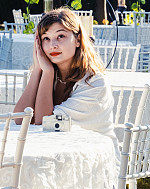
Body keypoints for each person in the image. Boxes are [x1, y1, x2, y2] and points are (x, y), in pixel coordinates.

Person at [13, 8, 115, 144]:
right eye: (46, 39)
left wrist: (47, 73)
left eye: (60, 36)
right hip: (56, 147)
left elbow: (44, 122)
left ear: (78, 40)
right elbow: (20, 118)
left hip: (91, 154)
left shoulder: (94, 82)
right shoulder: (49, 73)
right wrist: (38, 69)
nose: (53, 45)